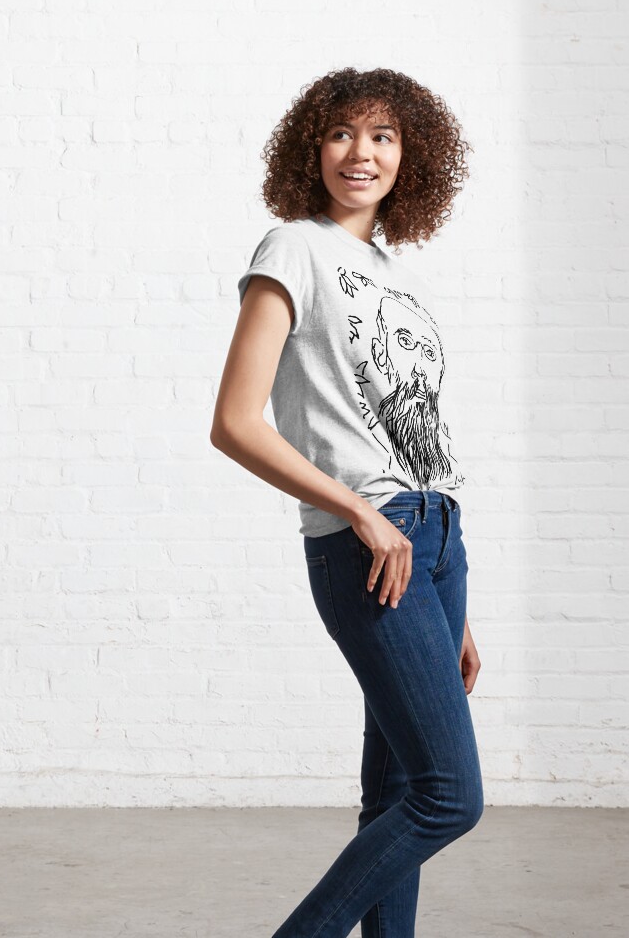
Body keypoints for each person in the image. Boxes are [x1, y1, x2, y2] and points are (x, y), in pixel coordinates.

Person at [210, 66, 484, 938]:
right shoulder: (292, 246)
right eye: (341, 134)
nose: (360, 153)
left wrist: (453, 611)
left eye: (383, 137)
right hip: (367, 539)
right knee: (449, 797)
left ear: (412, 156)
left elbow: (413, 437)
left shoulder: (388, 271)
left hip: (434, 540)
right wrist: (359, 512)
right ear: (311, 148)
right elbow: (234, 422)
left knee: (401, 789)